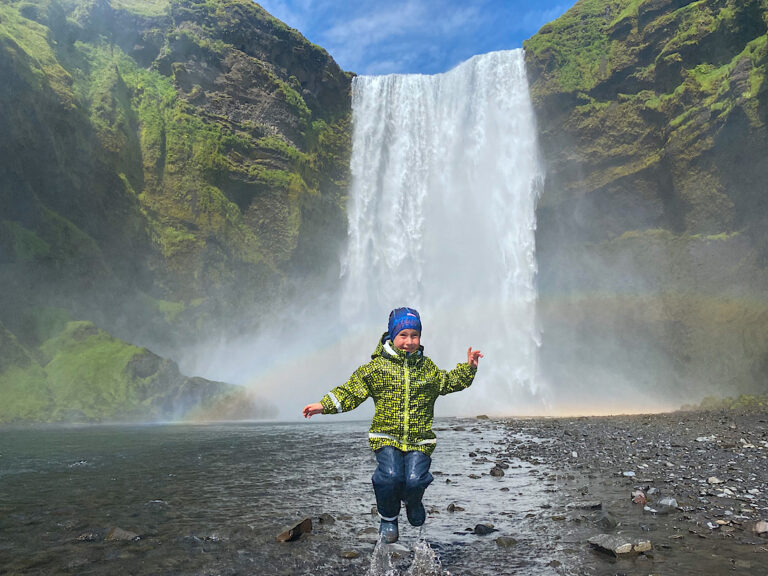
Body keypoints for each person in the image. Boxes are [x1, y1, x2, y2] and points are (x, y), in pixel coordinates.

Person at [302, 307, 483, 543]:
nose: (409, 341)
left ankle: (413, 501)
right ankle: (388, 517)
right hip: (386, 436)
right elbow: (350, 392)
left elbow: (448, 382)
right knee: (389, 477)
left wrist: (468, 368)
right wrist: (324, 405)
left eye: (414, 335)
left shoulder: (426, 368)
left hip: (420, 439)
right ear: (391, 335)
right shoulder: (376, 368)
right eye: (403, 335)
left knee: (416, 479)